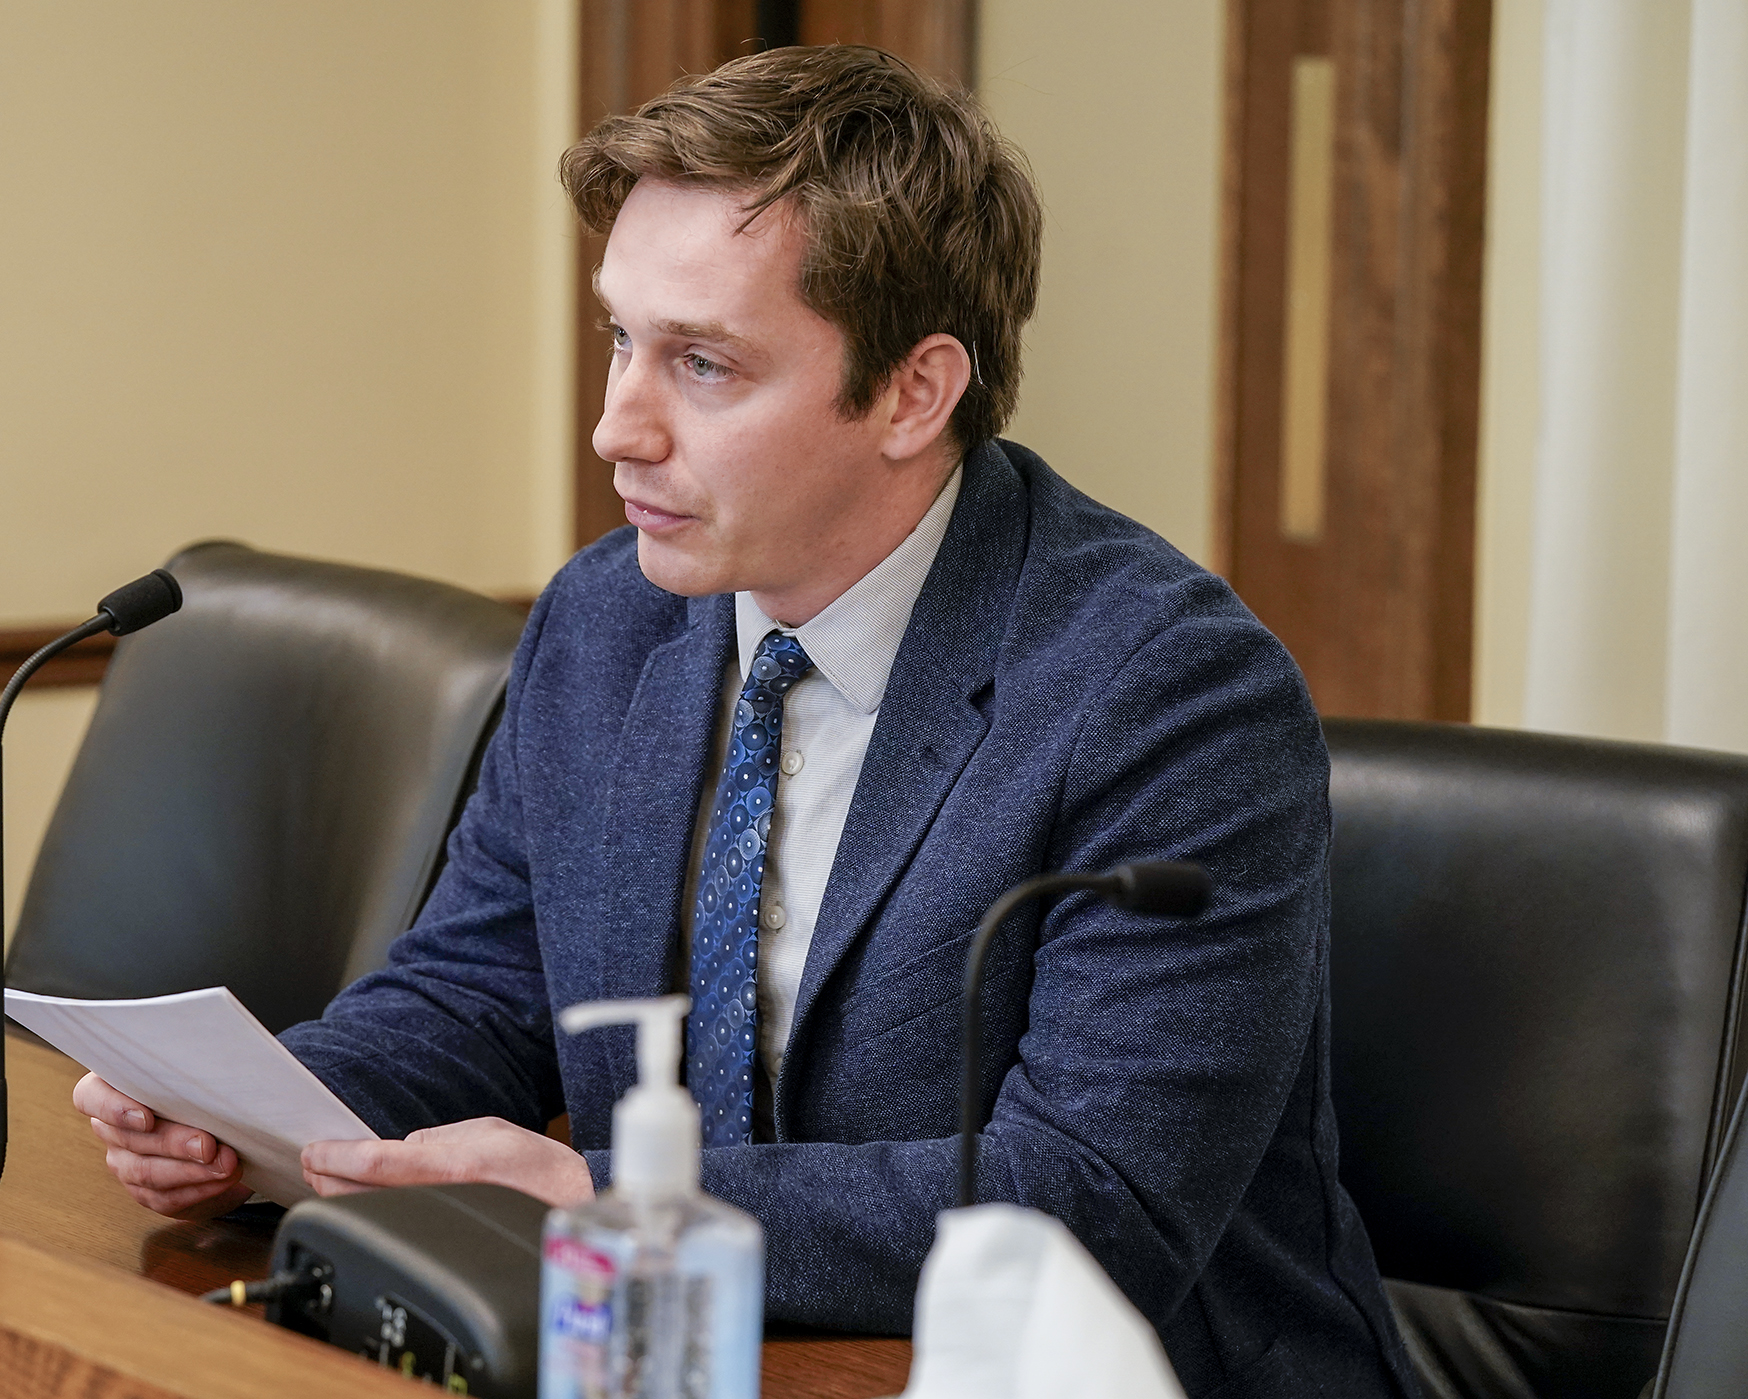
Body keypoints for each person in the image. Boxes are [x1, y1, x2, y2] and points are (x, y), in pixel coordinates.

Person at [75, 45, 1418, 1397]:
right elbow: (482, 986)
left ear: (913, 392)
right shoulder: (608, 618)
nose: (616, 427)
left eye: (702, 364)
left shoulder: (1167, 691)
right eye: (619, 337)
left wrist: (601, 1205)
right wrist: (267, 1112)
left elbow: (1089, 1203)